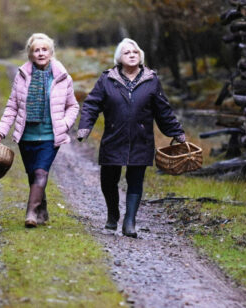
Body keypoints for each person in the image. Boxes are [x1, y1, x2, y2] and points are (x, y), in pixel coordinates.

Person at [77, 38, 186, 237]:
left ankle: (130, 222)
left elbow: (163, 110)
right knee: (108, 179)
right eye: (127, 52)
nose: (132, 55)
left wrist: (176, 132)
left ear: (140, 55)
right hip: (113, 136)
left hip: (141, 138)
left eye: (135, 52)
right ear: (120, 57)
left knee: (136, 179)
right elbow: (92, 104)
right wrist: (85, 127)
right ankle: (112, 213)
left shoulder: (151, 79)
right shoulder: (107, 79)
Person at [0, 33, 79, 228]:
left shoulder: (62, 77)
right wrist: (1, 131)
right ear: (30, 54)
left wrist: (64, 125)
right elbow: (12, 106)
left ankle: (30, 212)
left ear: (51, 52)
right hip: (26, 136)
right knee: (33, 175)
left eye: (44, 49)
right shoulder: (22, 76)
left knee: (41, 173)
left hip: (50, 135)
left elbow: (73, 106)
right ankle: (42, 210)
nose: (40, 53)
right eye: (36, 50)